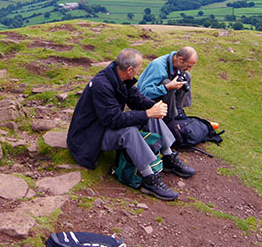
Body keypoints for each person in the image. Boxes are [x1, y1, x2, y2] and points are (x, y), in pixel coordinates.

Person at [67, 48, 196, 201]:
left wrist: (152, 107)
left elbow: (134, 97)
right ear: (129, 69)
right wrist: (148, 113)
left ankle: (168, 157)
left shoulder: (117, 76)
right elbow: (113, 120)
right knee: (129, 132)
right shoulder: (102, 85)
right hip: (89, 136)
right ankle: (149, 178)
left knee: (150, 114)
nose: (139, 72)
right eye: (138, 69)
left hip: (102, 127)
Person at [137, 46, 198, 123]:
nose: (189, 69)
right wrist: (167, 87)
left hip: (164, 100)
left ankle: (178, 110)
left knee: (186, 76)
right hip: (145, 102)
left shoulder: (177, 65)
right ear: (180, 59)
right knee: (167, 82)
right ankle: (170, 118)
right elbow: (143, 92)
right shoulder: (158, 66)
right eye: (188, 66)